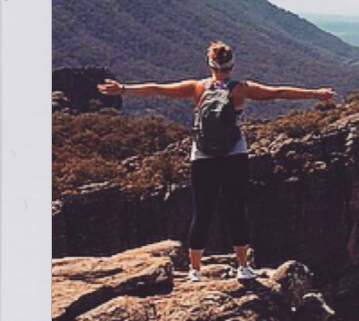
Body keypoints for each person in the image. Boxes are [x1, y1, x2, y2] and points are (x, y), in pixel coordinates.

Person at [98, 42, 336, 283]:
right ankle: (243, 266)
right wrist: (316, 94)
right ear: (232, 65)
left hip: (202, 155)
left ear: (210, 64)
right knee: (237, 210)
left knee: (202, 212)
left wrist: (124, 89)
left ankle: (195, 270)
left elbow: (158, 89)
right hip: (235, 153)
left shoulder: (196, 87)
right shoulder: (241, 88)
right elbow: (279, 93)